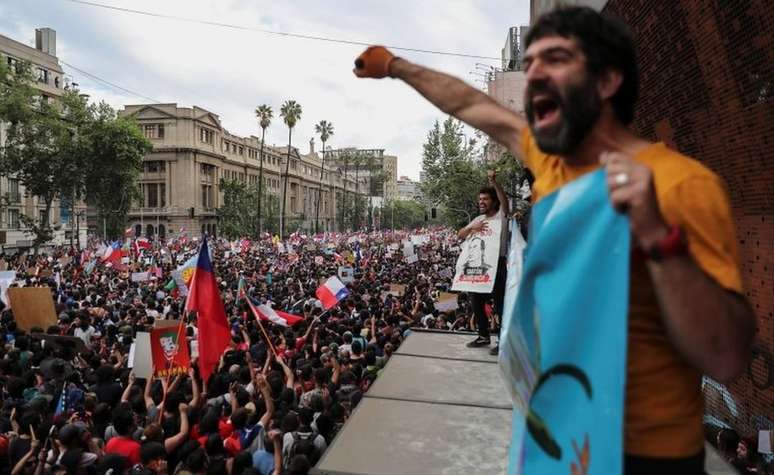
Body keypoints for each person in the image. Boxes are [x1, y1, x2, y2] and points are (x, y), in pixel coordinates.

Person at [353, 6, 756, 474]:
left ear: (606, 81)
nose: (536, 75)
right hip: (548, 443)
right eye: (531, 66)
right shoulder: (550, 164)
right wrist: (395, 66)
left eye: (556, 60)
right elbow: (468, 104)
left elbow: (726, 355)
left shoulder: (682, 185)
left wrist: (659, 238)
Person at [455, 171, 509, 349]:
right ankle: (483, 336)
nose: (481, 202)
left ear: (494, 201)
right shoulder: (478, 220)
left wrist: (494, 182)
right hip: (479, 269)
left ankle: (502, 340)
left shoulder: (501, 216)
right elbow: (460, 235)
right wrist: (472, 228)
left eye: (485, 199)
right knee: (475, 299)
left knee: (500, 304)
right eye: (479, 200)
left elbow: (506, 202)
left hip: (498, 266)